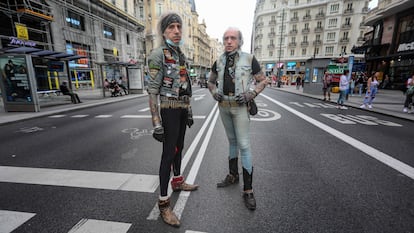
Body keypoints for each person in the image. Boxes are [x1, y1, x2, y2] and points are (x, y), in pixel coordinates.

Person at [207, 27, 267, 211]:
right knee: (232, 141)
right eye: (226, 38)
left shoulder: (249, 59)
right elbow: (210, 81)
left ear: (239, 41)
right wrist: (214, 92)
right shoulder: (218, 61)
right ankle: (233, 175)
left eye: (232, 38)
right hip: (224, 106)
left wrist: (251, 94)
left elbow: (263, 80)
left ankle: (248, 190)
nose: (228, 41)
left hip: (241, 106)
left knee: (244, 145)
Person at [147, 12, 198, 228]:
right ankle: (163, 203)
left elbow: (185, 86)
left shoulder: (181, 55)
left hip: (181, 108)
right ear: (163, 31)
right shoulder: (157, 54)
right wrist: (156, 122)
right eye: (171, 27)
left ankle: (178, 181)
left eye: (178, 27)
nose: (176, 31)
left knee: (180, 146)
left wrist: (189, 111)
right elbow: (152, 91)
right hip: (167, 109)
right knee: (168, 154)